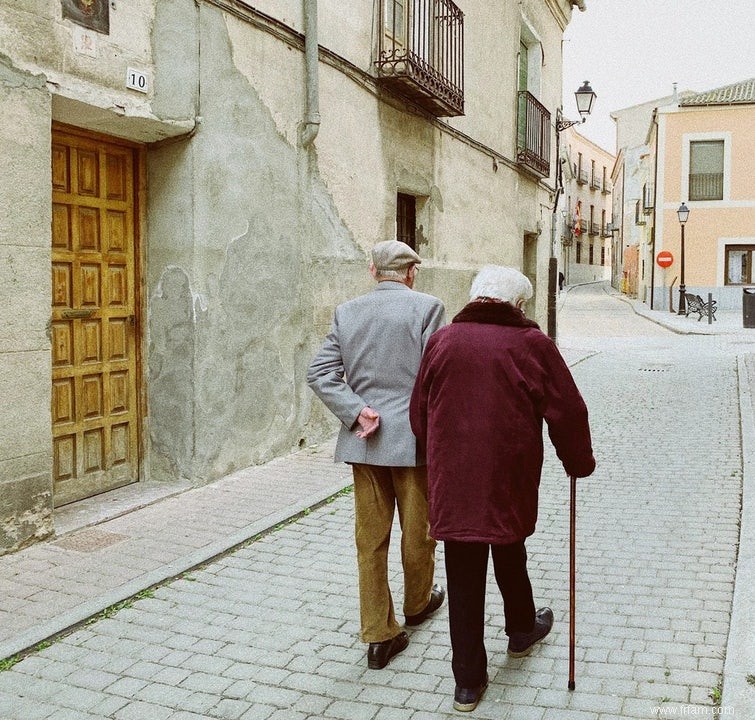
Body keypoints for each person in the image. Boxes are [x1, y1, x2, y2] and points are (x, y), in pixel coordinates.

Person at [409, 265, 595, 712]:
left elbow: (419, 413)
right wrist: (578, 461)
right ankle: (520, 630)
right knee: (511, 549)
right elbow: (568, 411)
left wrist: (439, 452)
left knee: (463, 571)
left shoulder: (443, 341)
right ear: (518, 305)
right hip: (508, 474)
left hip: (454, 479)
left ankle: (468, 683)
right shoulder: (531, 343)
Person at [307, 240, 447, 670]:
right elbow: (436, 375)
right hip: (414, 442)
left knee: (370, 540)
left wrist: (357, 411)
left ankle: (378, 635)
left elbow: (319, 373)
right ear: (411, 273)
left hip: (365, 442)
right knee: (418, 529)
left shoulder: (347, 311)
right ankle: (417, 604)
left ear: (372, 271)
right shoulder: (429, 308)